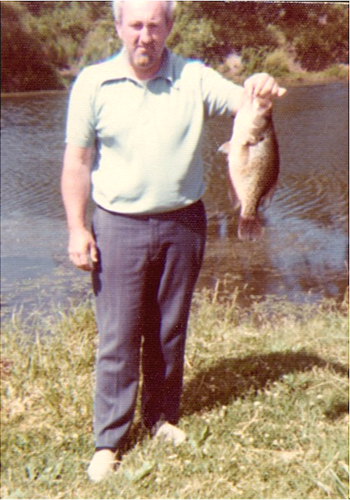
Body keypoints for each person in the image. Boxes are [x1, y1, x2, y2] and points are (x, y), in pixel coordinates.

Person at [61, 0, 286, 482]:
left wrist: (260, 91)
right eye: (136, 25)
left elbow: (246, 105)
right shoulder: (92, 84)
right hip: (117, 223)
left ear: (169, 27)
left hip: (184, 222)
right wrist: (78, 228)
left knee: (169, 329)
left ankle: (161, 418)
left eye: (155, 25)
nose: (146, 35)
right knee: (118, 335)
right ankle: (110, 438)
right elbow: (77, 163)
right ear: (119, 26)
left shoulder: (194, 76)